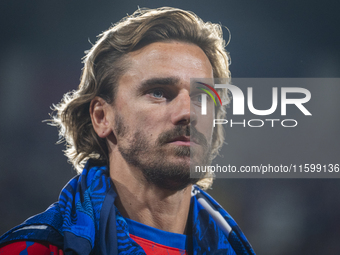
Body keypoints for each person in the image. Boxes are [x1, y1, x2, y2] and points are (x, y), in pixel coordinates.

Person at [0, 7, 255, 255]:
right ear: (102, 116)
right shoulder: (33, 249)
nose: (188, 112)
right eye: (159, 92)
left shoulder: (235, 247)